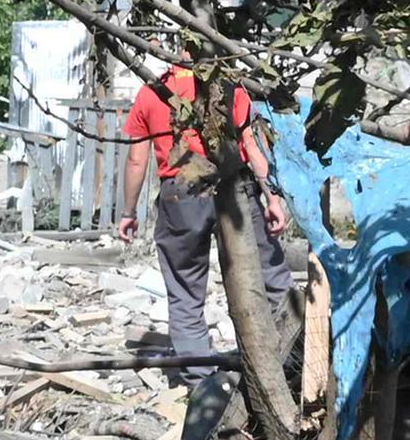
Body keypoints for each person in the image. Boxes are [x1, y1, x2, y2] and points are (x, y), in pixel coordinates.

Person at [125, 58, 292, 359]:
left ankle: (200, 383)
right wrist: (273, 198)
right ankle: (297, 360)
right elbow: (252, 147)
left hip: (181, 191)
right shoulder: (228, 86)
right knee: (272, 278)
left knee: (185, 290)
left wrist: (128, 212)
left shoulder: (153, 91)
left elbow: (137, 160)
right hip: (235, 186)